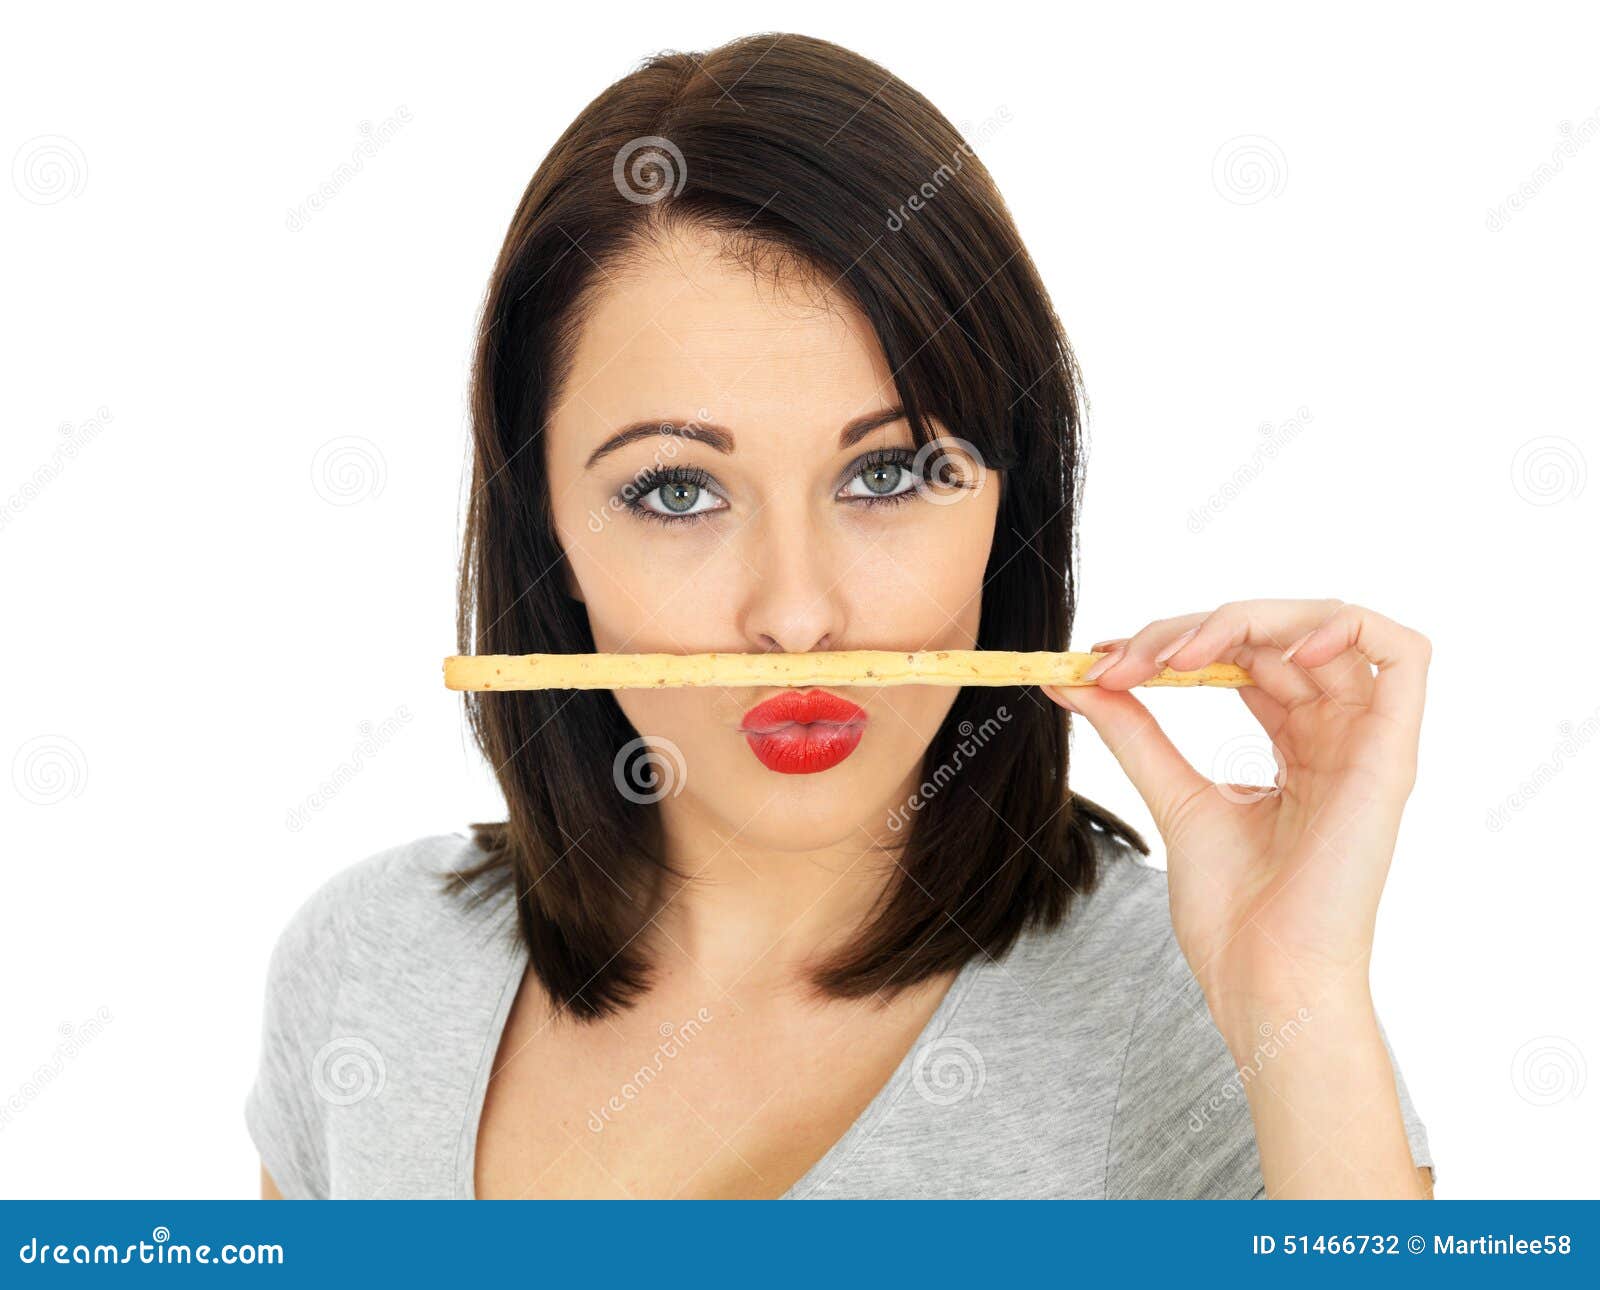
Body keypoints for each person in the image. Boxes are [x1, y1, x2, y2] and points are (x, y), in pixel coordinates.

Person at [247, 31, 1435, 1200]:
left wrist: (1301, 1005)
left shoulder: (1195, 1023)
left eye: (888, 475)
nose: (799, 617)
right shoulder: (365, 966)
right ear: (544, 523)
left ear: (1011, 500)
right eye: (674, 491)